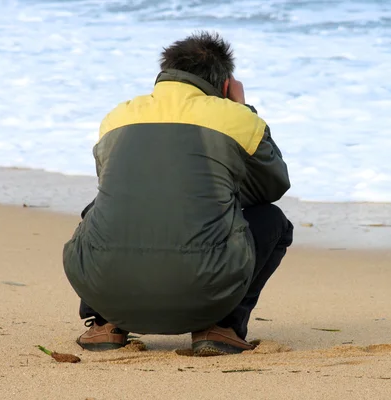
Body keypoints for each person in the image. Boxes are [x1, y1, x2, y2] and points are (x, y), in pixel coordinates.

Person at [62, 31, 293, 356]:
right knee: (272, 220)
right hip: (204, 293)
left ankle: (103, 324)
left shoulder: (118, 117)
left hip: (104, 289)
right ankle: (222, 327)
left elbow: (116, 186)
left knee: (102, 206)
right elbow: (273, 186)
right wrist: (243, 110)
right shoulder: (237, 119)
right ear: (225, 85)